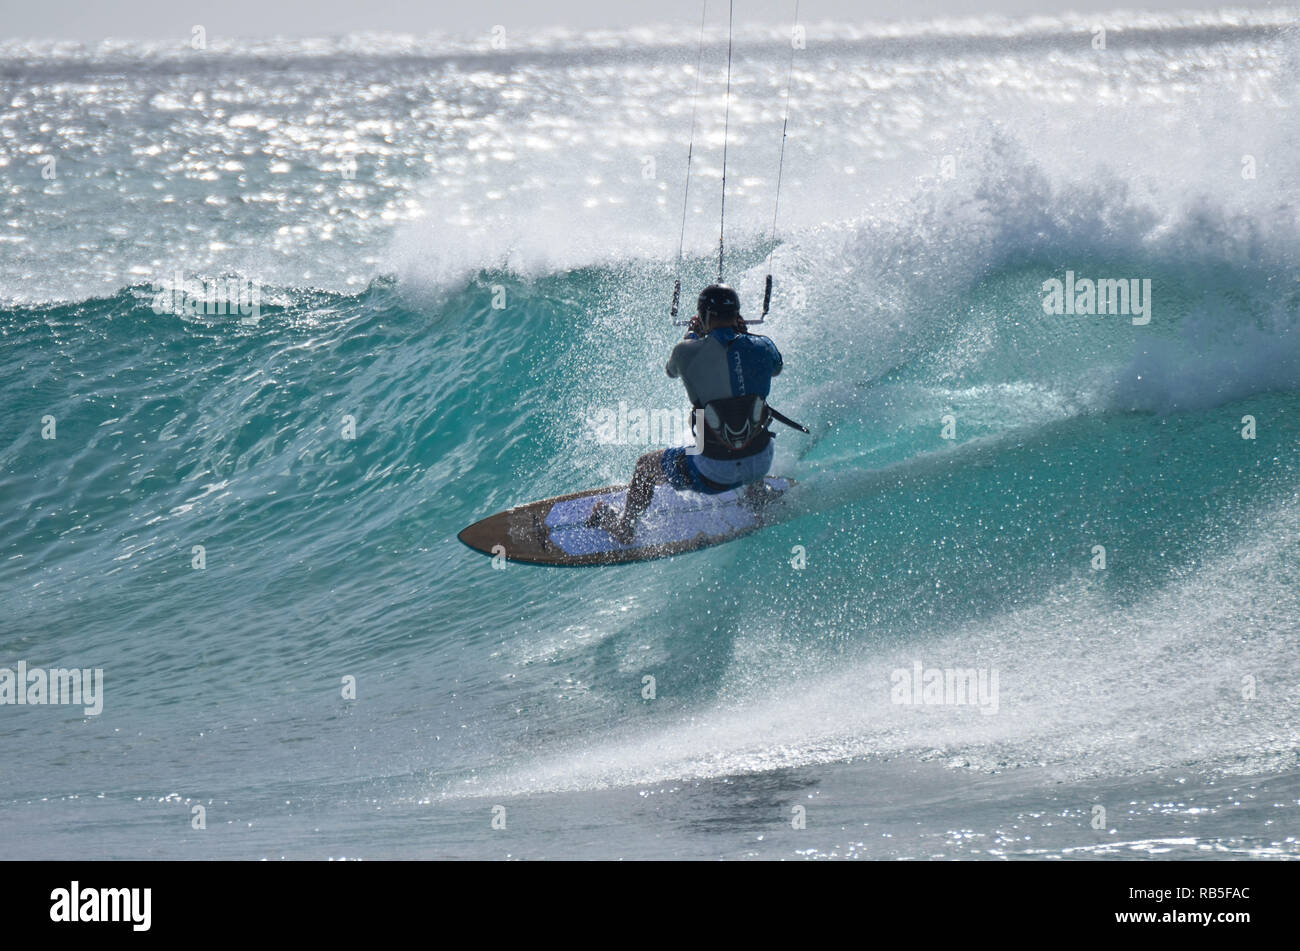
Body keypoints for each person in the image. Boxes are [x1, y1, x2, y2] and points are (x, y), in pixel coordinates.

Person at [587, 283, 786, 544]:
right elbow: (775, 368)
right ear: (738, 315)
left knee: (645, 466)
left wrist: (693, 333)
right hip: (760, 463)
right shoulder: (764, 346)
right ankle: (757, 495)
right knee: (747, 417)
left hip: (713, 474)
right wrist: (743, 336)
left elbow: (671, 370)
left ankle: (625, 527)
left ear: (703, 317)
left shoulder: (685, 351)